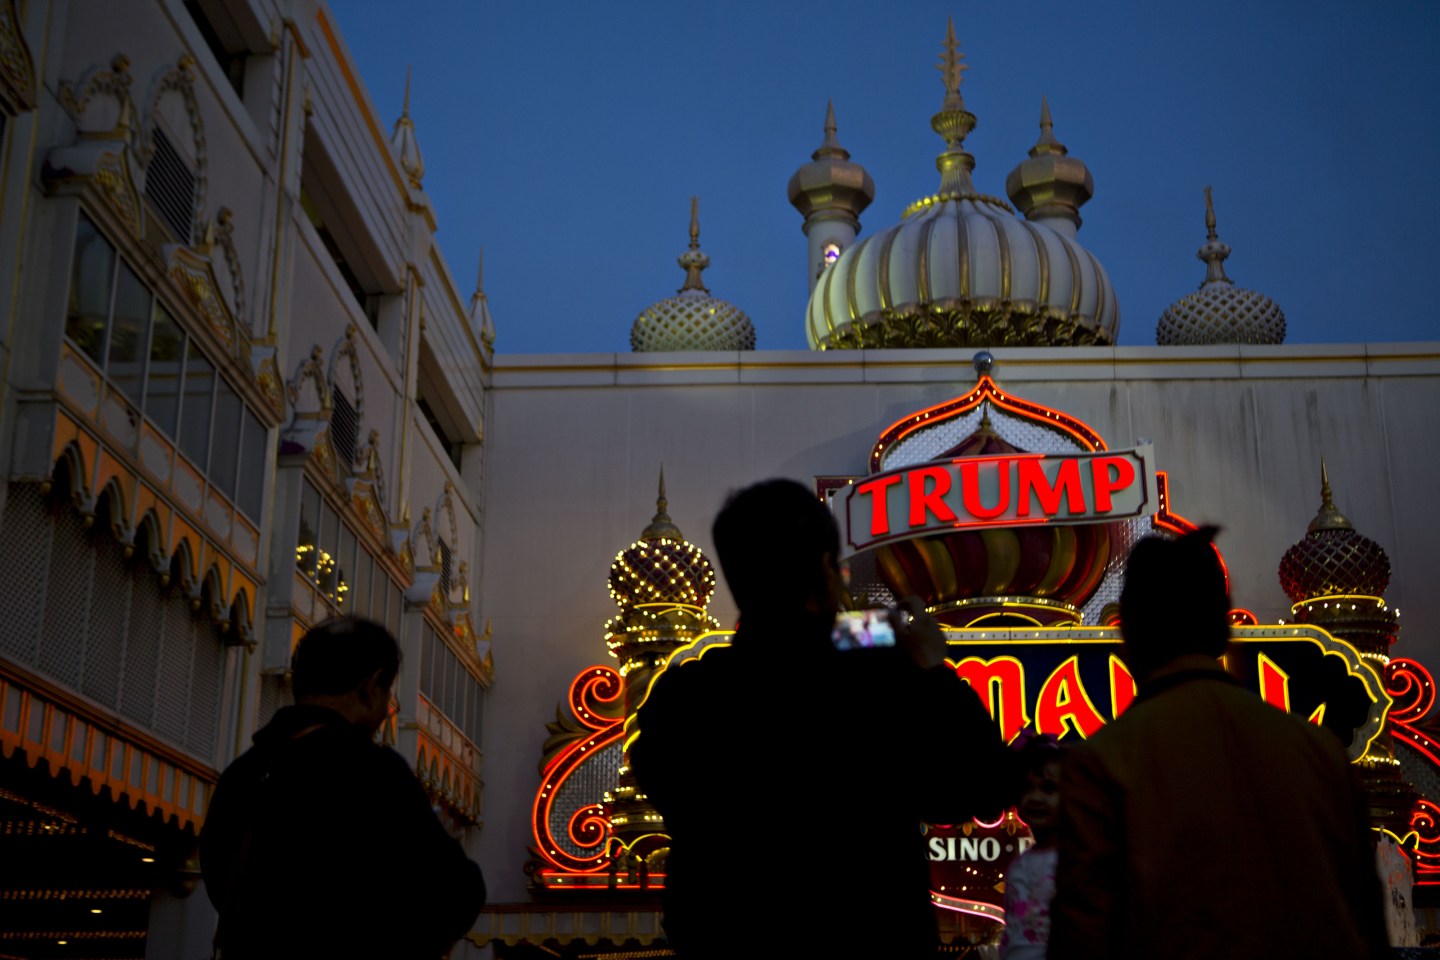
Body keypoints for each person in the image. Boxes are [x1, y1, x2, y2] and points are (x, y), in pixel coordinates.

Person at [631, 479, 1014, 960]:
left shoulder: (685, 698)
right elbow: (982, 785)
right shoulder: (881, 683)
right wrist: (932, 667)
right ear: (825, 570)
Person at [1047, 528, 1389, 960]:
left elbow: (1082, 937)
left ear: (1129, 634)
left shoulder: (1104, 763)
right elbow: (1368, 921)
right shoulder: (1319, 751)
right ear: (1223, 627)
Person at [201, 617, 485, 960]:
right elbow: (455, 891)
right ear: (370, 687)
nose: (387, 710)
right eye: (388, 693)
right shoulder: (373, 773)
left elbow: (219, 880)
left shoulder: (242, 775)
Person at [999, 734, 1065, 960]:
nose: (1035, 797)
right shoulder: (1019, 864)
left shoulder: (1073, 861)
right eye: (1026, 788)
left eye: (1048, 788)